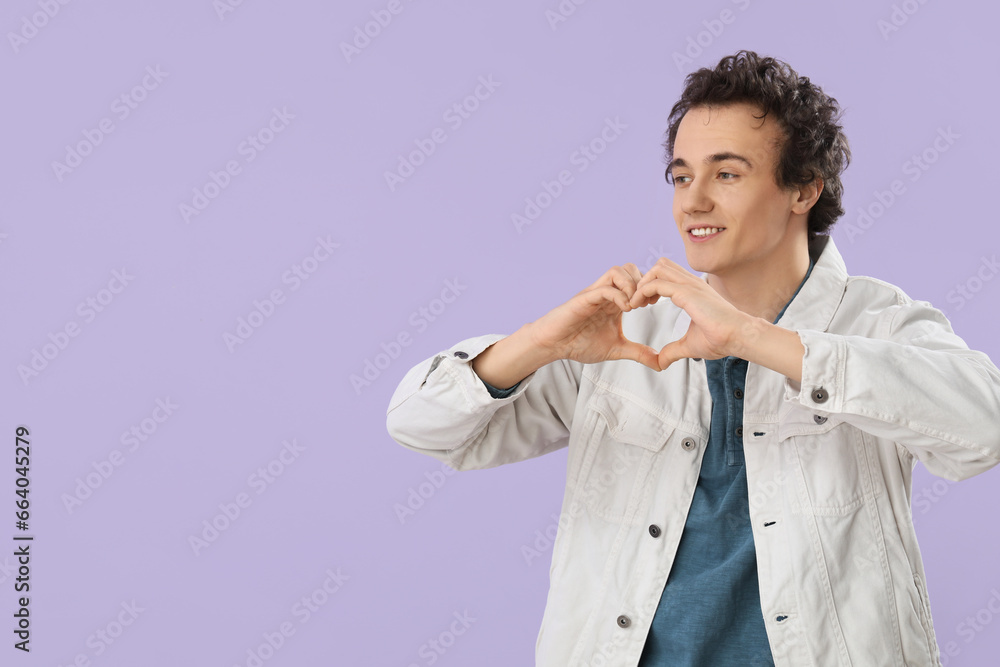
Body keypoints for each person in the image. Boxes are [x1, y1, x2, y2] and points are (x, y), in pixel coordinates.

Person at [385, 50, 1000, 667]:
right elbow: (422, 425)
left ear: (805, 188)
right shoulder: (625, 333)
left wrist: (750, 339)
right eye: (682, 177)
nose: (693, 202)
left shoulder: (878, 322)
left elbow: (984, 425)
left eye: (727, 174)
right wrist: (538, 343)